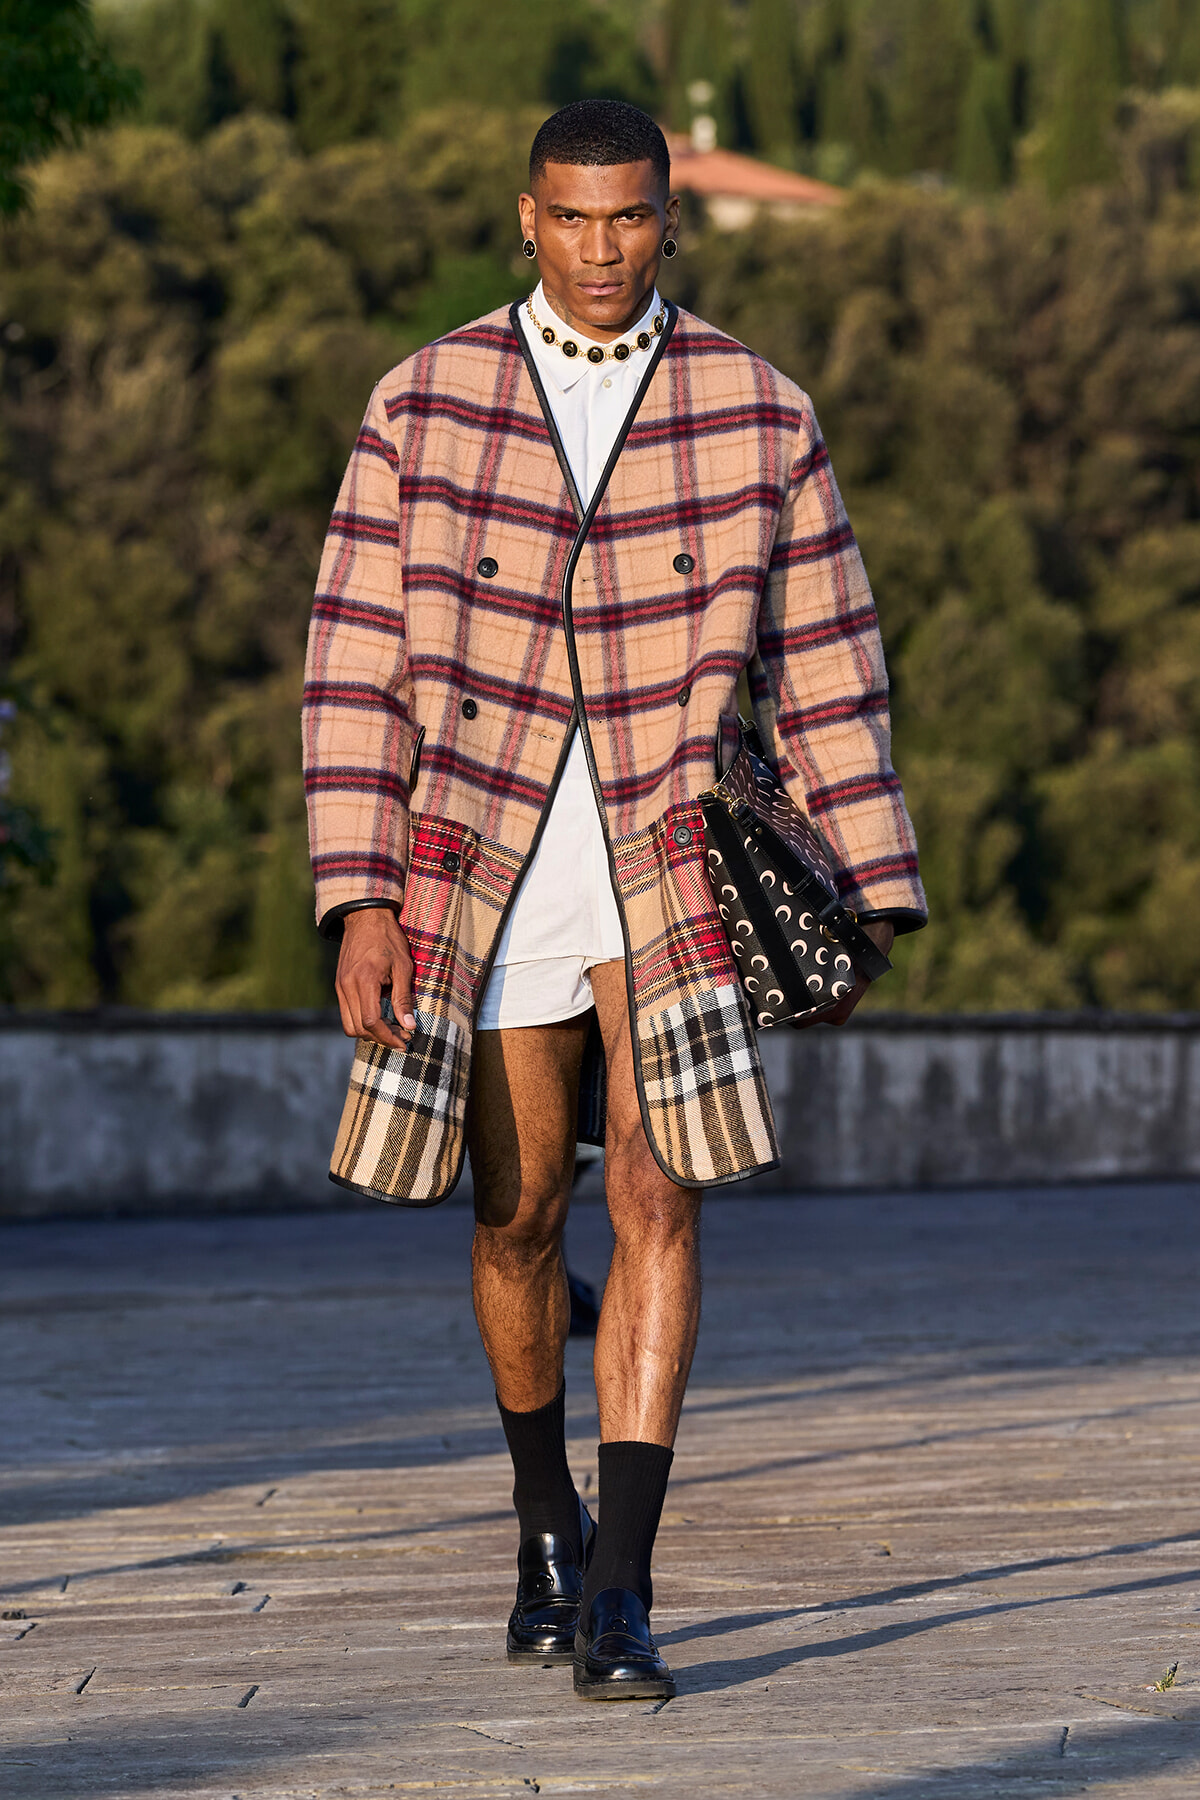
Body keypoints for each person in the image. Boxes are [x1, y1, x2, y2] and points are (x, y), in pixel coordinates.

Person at [302, 99, 925, 1702]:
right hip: (480, 864)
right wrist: (356, 893)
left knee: (661, 1197)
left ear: (669, 219)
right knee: (515, 1215)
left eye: (631, 219)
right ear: (528, 217)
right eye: (573, 220)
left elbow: (831, 669)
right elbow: (355, 666)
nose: (602, 249)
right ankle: (541, 1523)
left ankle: (628, 1589)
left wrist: (860, 894)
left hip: (669, 865)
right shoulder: (423, 402)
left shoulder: (754, 407)